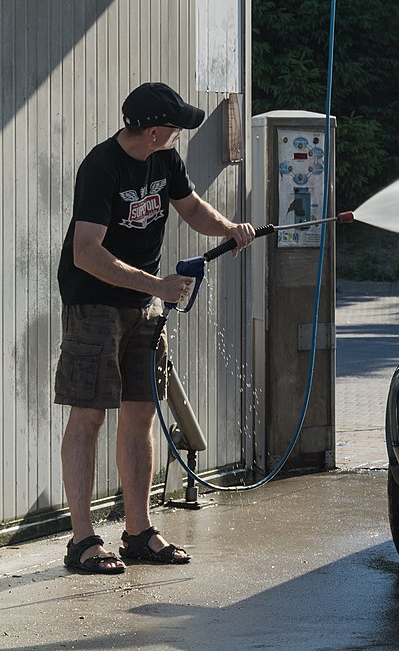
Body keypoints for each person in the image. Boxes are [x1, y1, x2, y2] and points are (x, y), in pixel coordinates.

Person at [54, 82, 256, 574]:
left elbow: (190, 209)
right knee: (90, 417)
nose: (178, 134)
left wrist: (229, 228)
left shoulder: (165, 161)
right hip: (95, 302)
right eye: (174, 126)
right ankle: (82, 541)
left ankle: (138, 532)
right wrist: (158, 285)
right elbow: (86, 253)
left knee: (141, 412)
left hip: (144, 303)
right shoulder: (101, 167)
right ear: (151, 128)